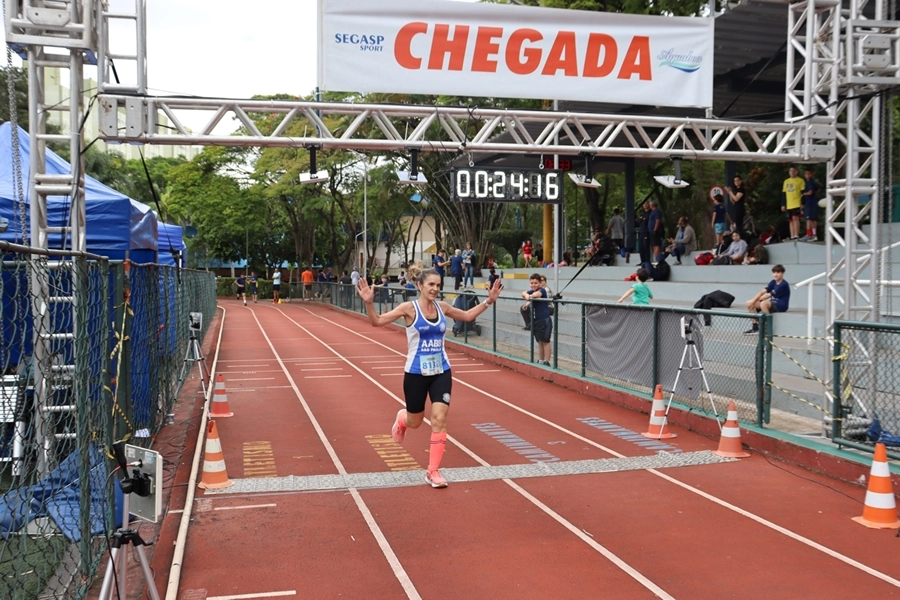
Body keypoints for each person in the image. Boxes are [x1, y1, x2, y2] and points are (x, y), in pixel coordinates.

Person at [356, 264, 503, 488]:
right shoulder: (408, 309)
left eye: (438, 285)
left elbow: (466, 315)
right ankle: (402, 420)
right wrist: (368, 302)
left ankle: (433, 471)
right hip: (415, 372)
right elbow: (377, 321)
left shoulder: (442, 308)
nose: (435, 289)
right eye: (431, 285)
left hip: (441, 371)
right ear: (420, 286)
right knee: (415, 421)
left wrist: (489, 301)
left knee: (439, 419)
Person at [744, 264, 790, 335]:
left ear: (783, 273)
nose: (775, 274)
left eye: (778, 272)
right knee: (749, 303)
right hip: (772, 303)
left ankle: (767, 329)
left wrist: (755, 301)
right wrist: (753, 301)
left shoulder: (784, 284)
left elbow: (768, 295)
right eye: (774, 272)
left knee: (763, 303)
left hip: (781, 305)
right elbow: (762, 292)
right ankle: (755, 327)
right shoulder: (773, 282)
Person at [520, 273, 553, 365]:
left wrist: (528, 296)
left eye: (536, 283)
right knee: (539, 341)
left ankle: (547, 361)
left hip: (544, 320)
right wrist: (526, 295)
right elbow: (523, 293)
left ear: (540, 283)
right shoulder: (531, 291)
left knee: (546, 341)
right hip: (536, 320)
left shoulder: (542, 290)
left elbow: (536, 295)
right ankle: (541, 360)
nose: (533, 285)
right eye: (532, 283)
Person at [782, 166, 804, 240]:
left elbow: (803, 192)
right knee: (790, 220)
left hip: (796, 202)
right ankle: (792, 235)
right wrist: (783, 204)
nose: (792, 172)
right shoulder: (786, 181)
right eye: (790, 171)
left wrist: (802, 203)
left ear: (797, 172)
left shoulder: (800, 180)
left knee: (795, 218)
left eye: (794, 171)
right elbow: (784, 193)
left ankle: (796, 234)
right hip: (789, 203)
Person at [726, 175, 746, 239]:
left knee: (739, 225)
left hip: (740, 209)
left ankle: (742, 238)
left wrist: (730, 192)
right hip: (736, 208)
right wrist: (729, 193)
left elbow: (737, 198)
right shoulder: (736, 190)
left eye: (737, 180)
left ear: (741, 181)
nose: (736, 182)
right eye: (735, 181)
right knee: (737, 225)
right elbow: (733, 200)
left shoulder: (741, 189)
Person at [802, 167, 820, 241]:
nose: (807, 175)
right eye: (806, 173)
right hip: (811, 202)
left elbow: (810, 192)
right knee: (812, 219)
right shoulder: (812, 182)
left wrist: (803, 194)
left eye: (809, 174)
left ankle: (809, 234)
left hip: (810, 203)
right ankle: (814, 235)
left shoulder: (810, 182)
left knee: (809, 219)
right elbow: (819, 188)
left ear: (812, 174)